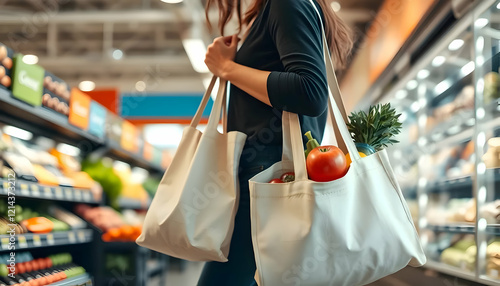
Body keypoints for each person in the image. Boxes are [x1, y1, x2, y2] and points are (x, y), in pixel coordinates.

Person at [199, 0, 352, 284]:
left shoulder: (285, 4)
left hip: (268, 177)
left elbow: (310, 91)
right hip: (270, 174)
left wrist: (227, 68)